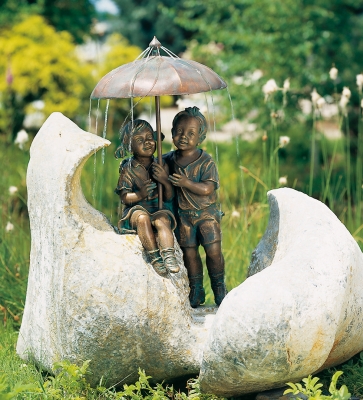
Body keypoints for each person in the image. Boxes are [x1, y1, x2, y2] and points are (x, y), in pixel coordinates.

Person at [164, 106, 227, 307]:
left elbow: (208, 188)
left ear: (200, 137)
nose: (184, 137)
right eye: (179, 131)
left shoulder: (206, 161)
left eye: (191, 133)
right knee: (189, 253)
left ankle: (219, 287)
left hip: (206, 215)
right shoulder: (168, 159)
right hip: (184, 216)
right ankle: (196, 289)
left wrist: (186, 183)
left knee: (213, 251)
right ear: (172, 132)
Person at [114, 119, 179, 276]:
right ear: (130, 146)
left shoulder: (161, 164)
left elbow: (169, 197)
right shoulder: (128, 168)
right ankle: (155, 256)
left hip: (156, 208)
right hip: (135, 210)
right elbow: (124, 197)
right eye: (140, 140)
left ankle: (169, 255)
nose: (148, 142)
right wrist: (140, 194)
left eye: (150, 137)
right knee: (143, 219)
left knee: (163, 219)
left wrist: (164, 180)